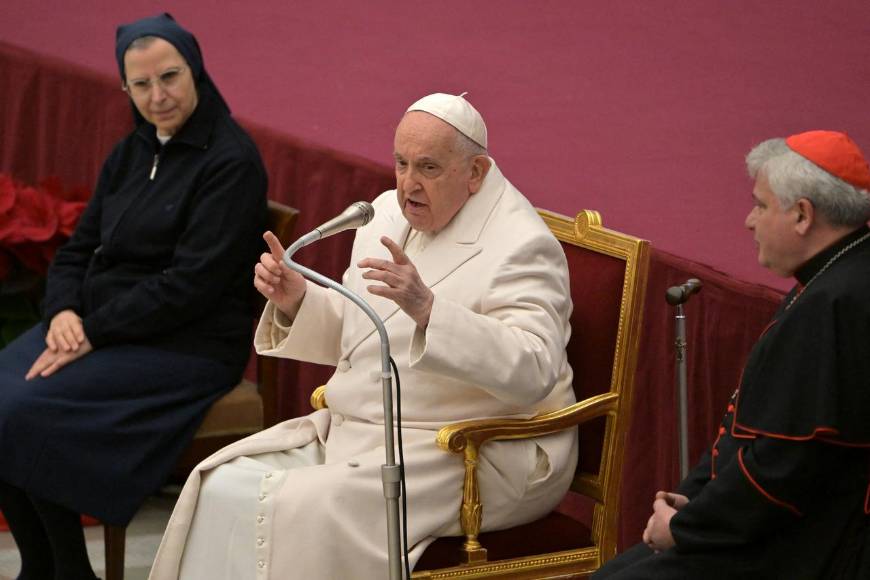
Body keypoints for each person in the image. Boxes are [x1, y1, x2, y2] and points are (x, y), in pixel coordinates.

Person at [147, 93, 577, 579]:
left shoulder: (520, 244)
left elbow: (535, 368)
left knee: (305, 507)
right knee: (222, 484)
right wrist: (300, 300)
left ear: (475, 172)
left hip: (471, 448)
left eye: (428, 168)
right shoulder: (385, 215)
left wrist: (430, 311)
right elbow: (367, 335)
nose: (407, 185)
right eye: (400, 163)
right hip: (366, 429)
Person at [0, 13, 267, 580]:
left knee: (25, 410)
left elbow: (190, 286)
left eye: (169, 77)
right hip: (108, 325)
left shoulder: (231, 162)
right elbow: (79, 249)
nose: (158, 96)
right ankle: (39, 565)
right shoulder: (130, 152)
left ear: (195, 70)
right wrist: (65, 313)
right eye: (140, 85)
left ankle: (71, 571)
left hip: (187, 344)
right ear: (125, 87)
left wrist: (92, 331)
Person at [593, 130, 870, 579]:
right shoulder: (835, 277)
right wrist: (694, 502)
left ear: (802, 215)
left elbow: (782, 470)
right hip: (767, 517)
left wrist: (688, 526)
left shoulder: (832, 305)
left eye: (761, 205)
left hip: (811, 541)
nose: (748, 220)